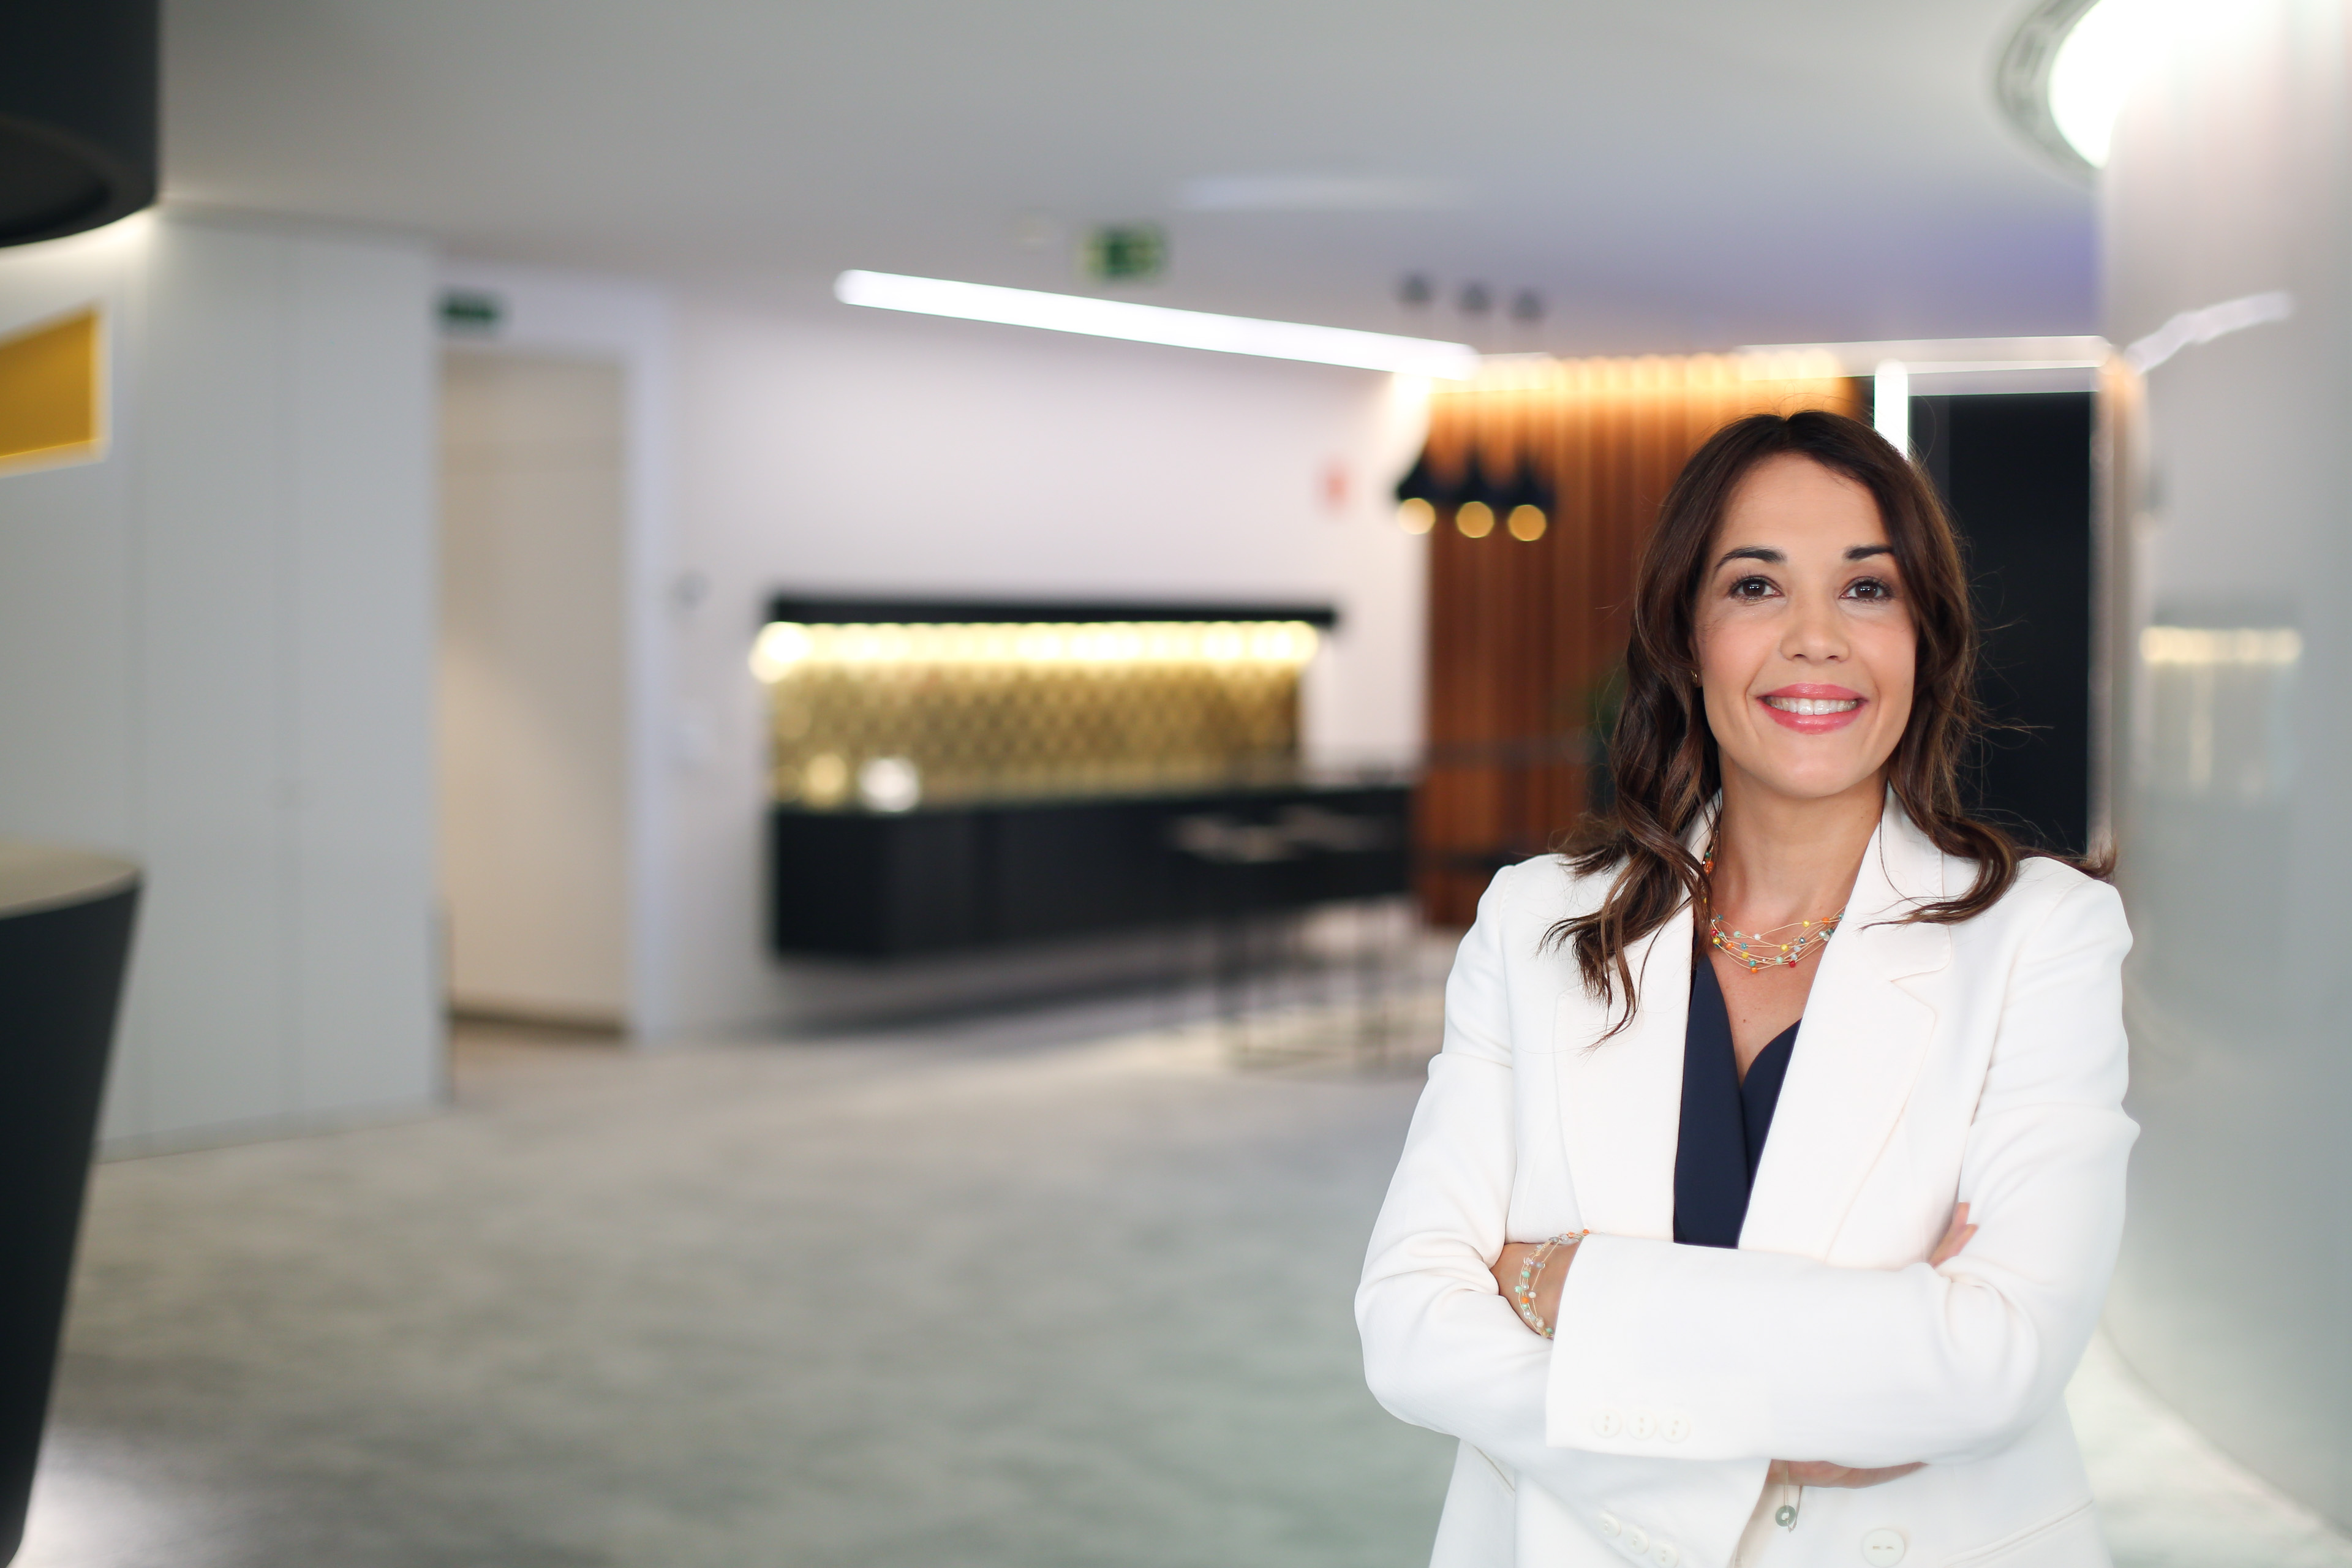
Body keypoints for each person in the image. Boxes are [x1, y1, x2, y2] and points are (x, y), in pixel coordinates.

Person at [1357, 410, 2133, 1568]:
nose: (1816, 639)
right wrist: (1794, 1416)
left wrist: (1559, 1281)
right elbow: (1411, 1330)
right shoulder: (1535, 924)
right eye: (1756, 587)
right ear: (1688, 634)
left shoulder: (2042, 935)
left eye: (1867, 590)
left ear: (1924, 636)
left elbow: (1993, 1362)